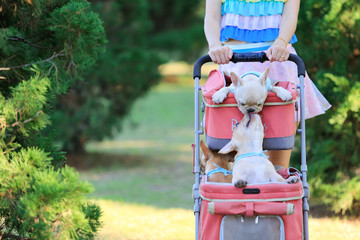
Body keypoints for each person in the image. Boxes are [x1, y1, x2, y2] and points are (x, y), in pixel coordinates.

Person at [204, 0, 331, 169]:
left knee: (278, 148)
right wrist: (214, 45)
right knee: (232, 153)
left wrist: (281, 42)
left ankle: (276, 184)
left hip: (277, 63)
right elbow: (212, 17)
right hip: (234, 63)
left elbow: (290, 15)